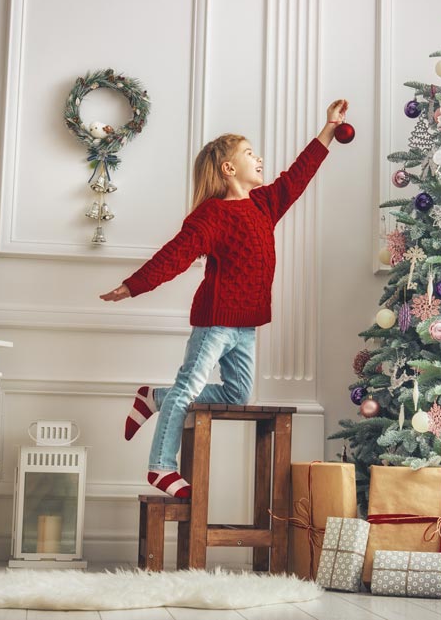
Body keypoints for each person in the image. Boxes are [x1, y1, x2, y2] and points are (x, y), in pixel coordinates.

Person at [100, 99, 349, 498]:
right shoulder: (212, 216)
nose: (260, 158)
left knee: (237, 396)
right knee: (188, 387)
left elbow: (299, 175)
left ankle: (152, 397)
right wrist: (134, 285)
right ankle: (160, 467)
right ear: (229, 168)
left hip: (247, 325)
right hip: (216, 321)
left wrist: (328, 130)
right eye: (251, 153)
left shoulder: (265, 204)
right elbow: (175, 255)